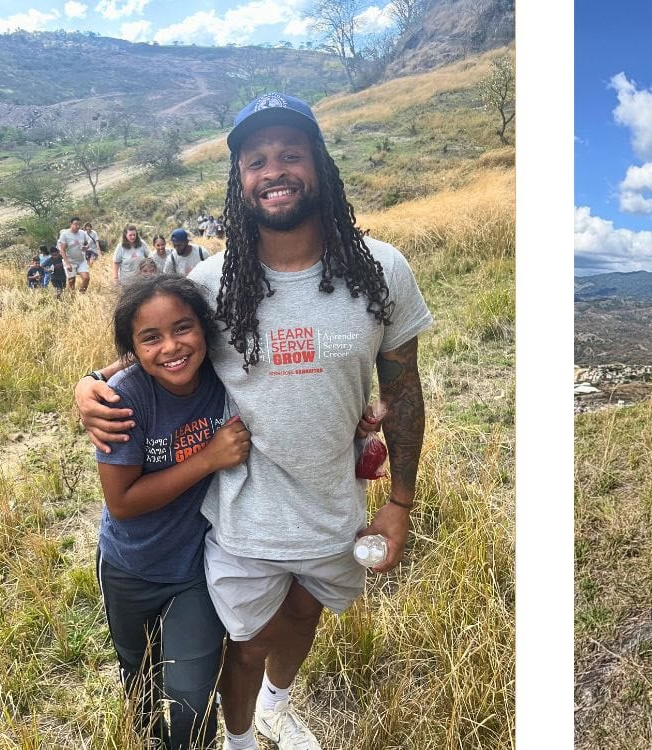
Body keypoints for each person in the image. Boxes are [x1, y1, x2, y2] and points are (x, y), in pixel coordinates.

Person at [77, 91, 433, 750]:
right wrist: (91, 383)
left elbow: (404, 392)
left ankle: (277, 707)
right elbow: (160, 347)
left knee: (303, 617)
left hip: (335, 508)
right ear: (239, 179)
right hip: (244, 517)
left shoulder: (382, 271)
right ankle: (240, 740)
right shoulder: (212, 283)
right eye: (257, 160)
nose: (274, 171)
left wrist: (401, 503)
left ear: (318, 164)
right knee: (244, 643)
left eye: (290, 154)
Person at [96, 275, 251, 749]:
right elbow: (122, 502)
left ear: (205, 328)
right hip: (130, 566)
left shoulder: (224, 373)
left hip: (196, 568)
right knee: (139, 676)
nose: (171, 347)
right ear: (132, 350)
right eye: (151, 337)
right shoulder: (124, 399)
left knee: (191, 696)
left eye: (183, 328)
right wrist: (207, 459)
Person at [57, 216, 92, 293]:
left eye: (79, 224)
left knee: (86, 278)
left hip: (81, 260)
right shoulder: (65, 235)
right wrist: (67, 263)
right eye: (76, 224)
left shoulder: (82, 233)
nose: (78, 226)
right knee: (72, 282)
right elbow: (62, 250)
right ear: (71, 224)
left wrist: (86, 247)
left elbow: (88, 243)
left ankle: (81, 294)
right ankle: (72, 297)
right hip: (70, 261)